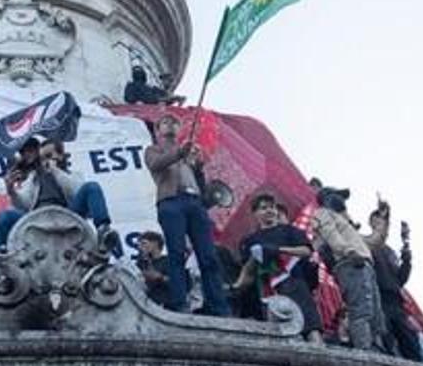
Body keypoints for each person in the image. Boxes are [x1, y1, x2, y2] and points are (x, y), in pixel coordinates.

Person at [144, 115, 231, 317]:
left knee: (208, 256)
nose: (170, 125)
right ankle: (179, 302)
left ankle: (217, 305)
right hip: (170, 202)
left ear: (179, 128)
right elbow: (156, 164)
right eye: (165, 122)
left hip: (194, 203)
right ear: (158, 130)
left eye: (174, 123)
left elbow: (199, 186)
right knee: (176, 254)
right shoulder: (153, 150)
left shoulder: (187, 155)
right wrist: (179, 152)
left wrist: (198, 167)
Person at [0, 137, 120, 253]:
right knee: (5, 216)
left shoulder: (73, 175)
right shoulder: (33, 178)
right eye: (42, 158)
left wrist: (55, 171)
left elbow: (76, 190)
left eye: (49, 155)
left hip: (67, 215)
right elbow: (24, 203)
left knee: (92, 186)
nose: (45, 161)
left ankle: (103, 231)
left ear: (61, 156)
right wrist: (11, 190)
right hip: (38, 218)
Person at [232, 193, 324, 343]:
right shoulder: (249, 240)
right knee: (276, 331)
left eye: (272, 207)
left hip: (295, 282)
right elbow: (248, 271)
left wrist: (278, 250)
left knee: (310, 325)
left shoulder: (290, 231)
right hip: (267, 290)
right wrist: (237, 285)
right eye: (263, 208)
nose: (269, 211)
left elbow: (306, 251)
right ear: (255, 213)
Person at [309, 183, 388, 350]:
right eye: (338, 196)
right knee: (360, 310)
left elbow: (373, 242)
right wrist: (348, 252)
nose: (341, 200)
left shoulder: (345, 222)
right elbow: (331, 235)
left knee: (375, 314)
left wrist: (383, 219)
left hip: (364, 264)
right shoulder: (323, 213)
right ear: (328, 198)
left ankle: (375, 348)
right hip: (349, 263)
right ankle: (364, 350)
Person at [362, 202, 423, 361]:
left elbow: (401, 278)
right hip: (377, 299)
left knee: (411, 343)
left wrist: (406, 256)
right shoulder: (365, 242)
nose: (381, 223)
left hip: (396, 302)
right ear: (371, 223)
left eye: (384, 221)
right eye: (377, 219)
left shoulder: (388, 251)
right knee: (386, 341)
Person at [135, 231, 172, 308]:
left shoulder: (169, 262)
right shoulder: (141, 263)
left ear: (155, 243)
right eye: (139, 244)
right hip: (146, 304)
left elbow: (179, 283)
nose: (140, 247)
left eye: (144, 243)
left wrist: (160, 277)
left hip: (165, 305)